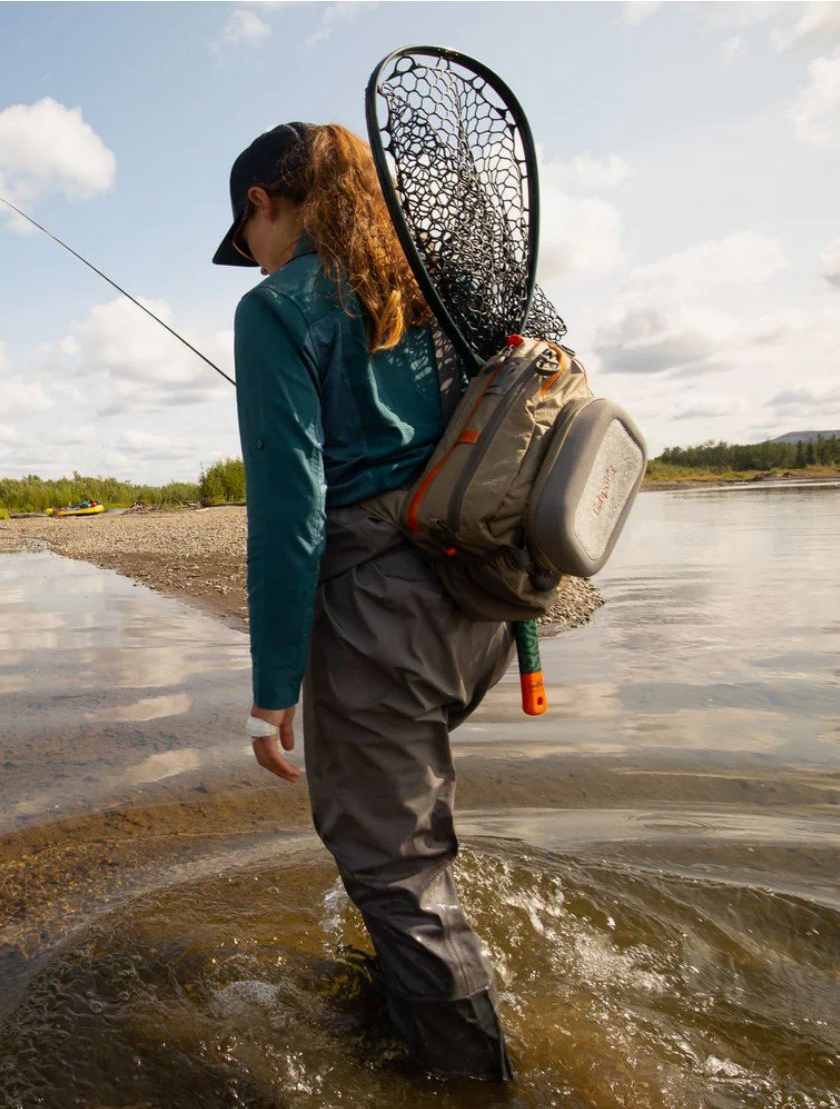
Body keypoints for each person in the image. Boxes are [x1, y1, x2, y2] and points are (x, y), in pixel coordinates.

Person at [212, 121, 516, 1081]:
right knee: (404, 843)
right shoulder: (434, 284)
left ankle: (472, 1082)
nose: (248, 262)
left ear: (263, 203)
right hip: (483, 602)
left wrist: (274, 686)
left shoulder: (276, 309)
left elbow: (289, 513)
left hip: (380, 615)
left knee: (393, 865)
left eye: (244, 238)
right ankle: (400, 1010)